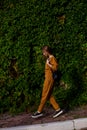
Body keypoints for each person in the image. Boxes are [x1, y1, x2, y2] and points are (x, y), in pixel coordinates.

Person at [32, 45, 63, 118]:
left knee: (44, 95)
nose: (43, 54)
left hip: (49, 79)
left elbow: (55, 68)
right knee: (49, 95)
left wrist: (48, 64)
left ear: (46, 51)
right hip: (48, 79)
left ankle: (39, 111)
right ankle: (58, 109)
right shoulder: (49, 58)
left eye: (43, 52)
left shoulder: (52, 58)